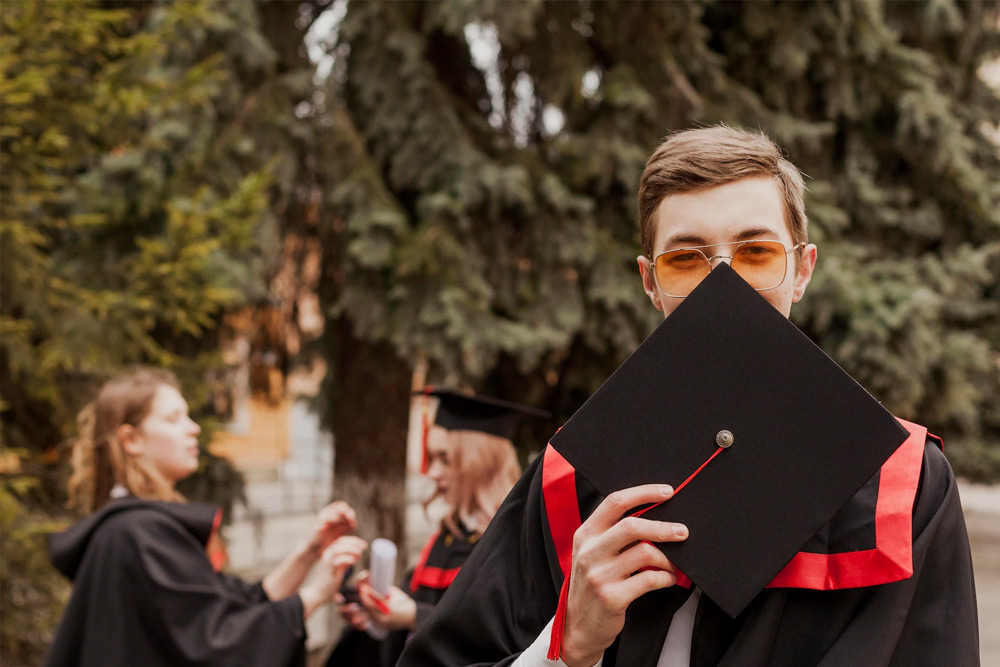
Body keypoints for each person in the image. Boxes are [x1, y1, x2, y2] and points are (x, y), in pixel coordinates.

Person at [396, 125, 980, 666]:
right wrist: (566, 645)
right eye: (685, 259)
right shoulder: (573, 480)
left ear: (802, 270)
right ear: (650, 282)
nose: (722, 283)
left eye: (756, 252)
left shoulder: (903, 486)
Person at [45, 368, 368, 667]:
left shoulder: (133, 526)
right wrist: (314, 595)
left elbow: (232, 605)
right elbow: (215, 644)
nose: (193, 428)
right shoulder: (138, 532)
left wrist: (309, 551)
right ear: (131, 440)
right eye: (174, 419)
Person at [324, 389, 547, 667]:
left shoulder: (518, 544)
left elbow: (507, 639)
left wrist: (414, 616)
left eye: (445, 459)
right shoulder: (445, 539)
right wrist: (376, 616)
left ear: (481, 463)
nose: (432, 473)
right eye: (432, 458)